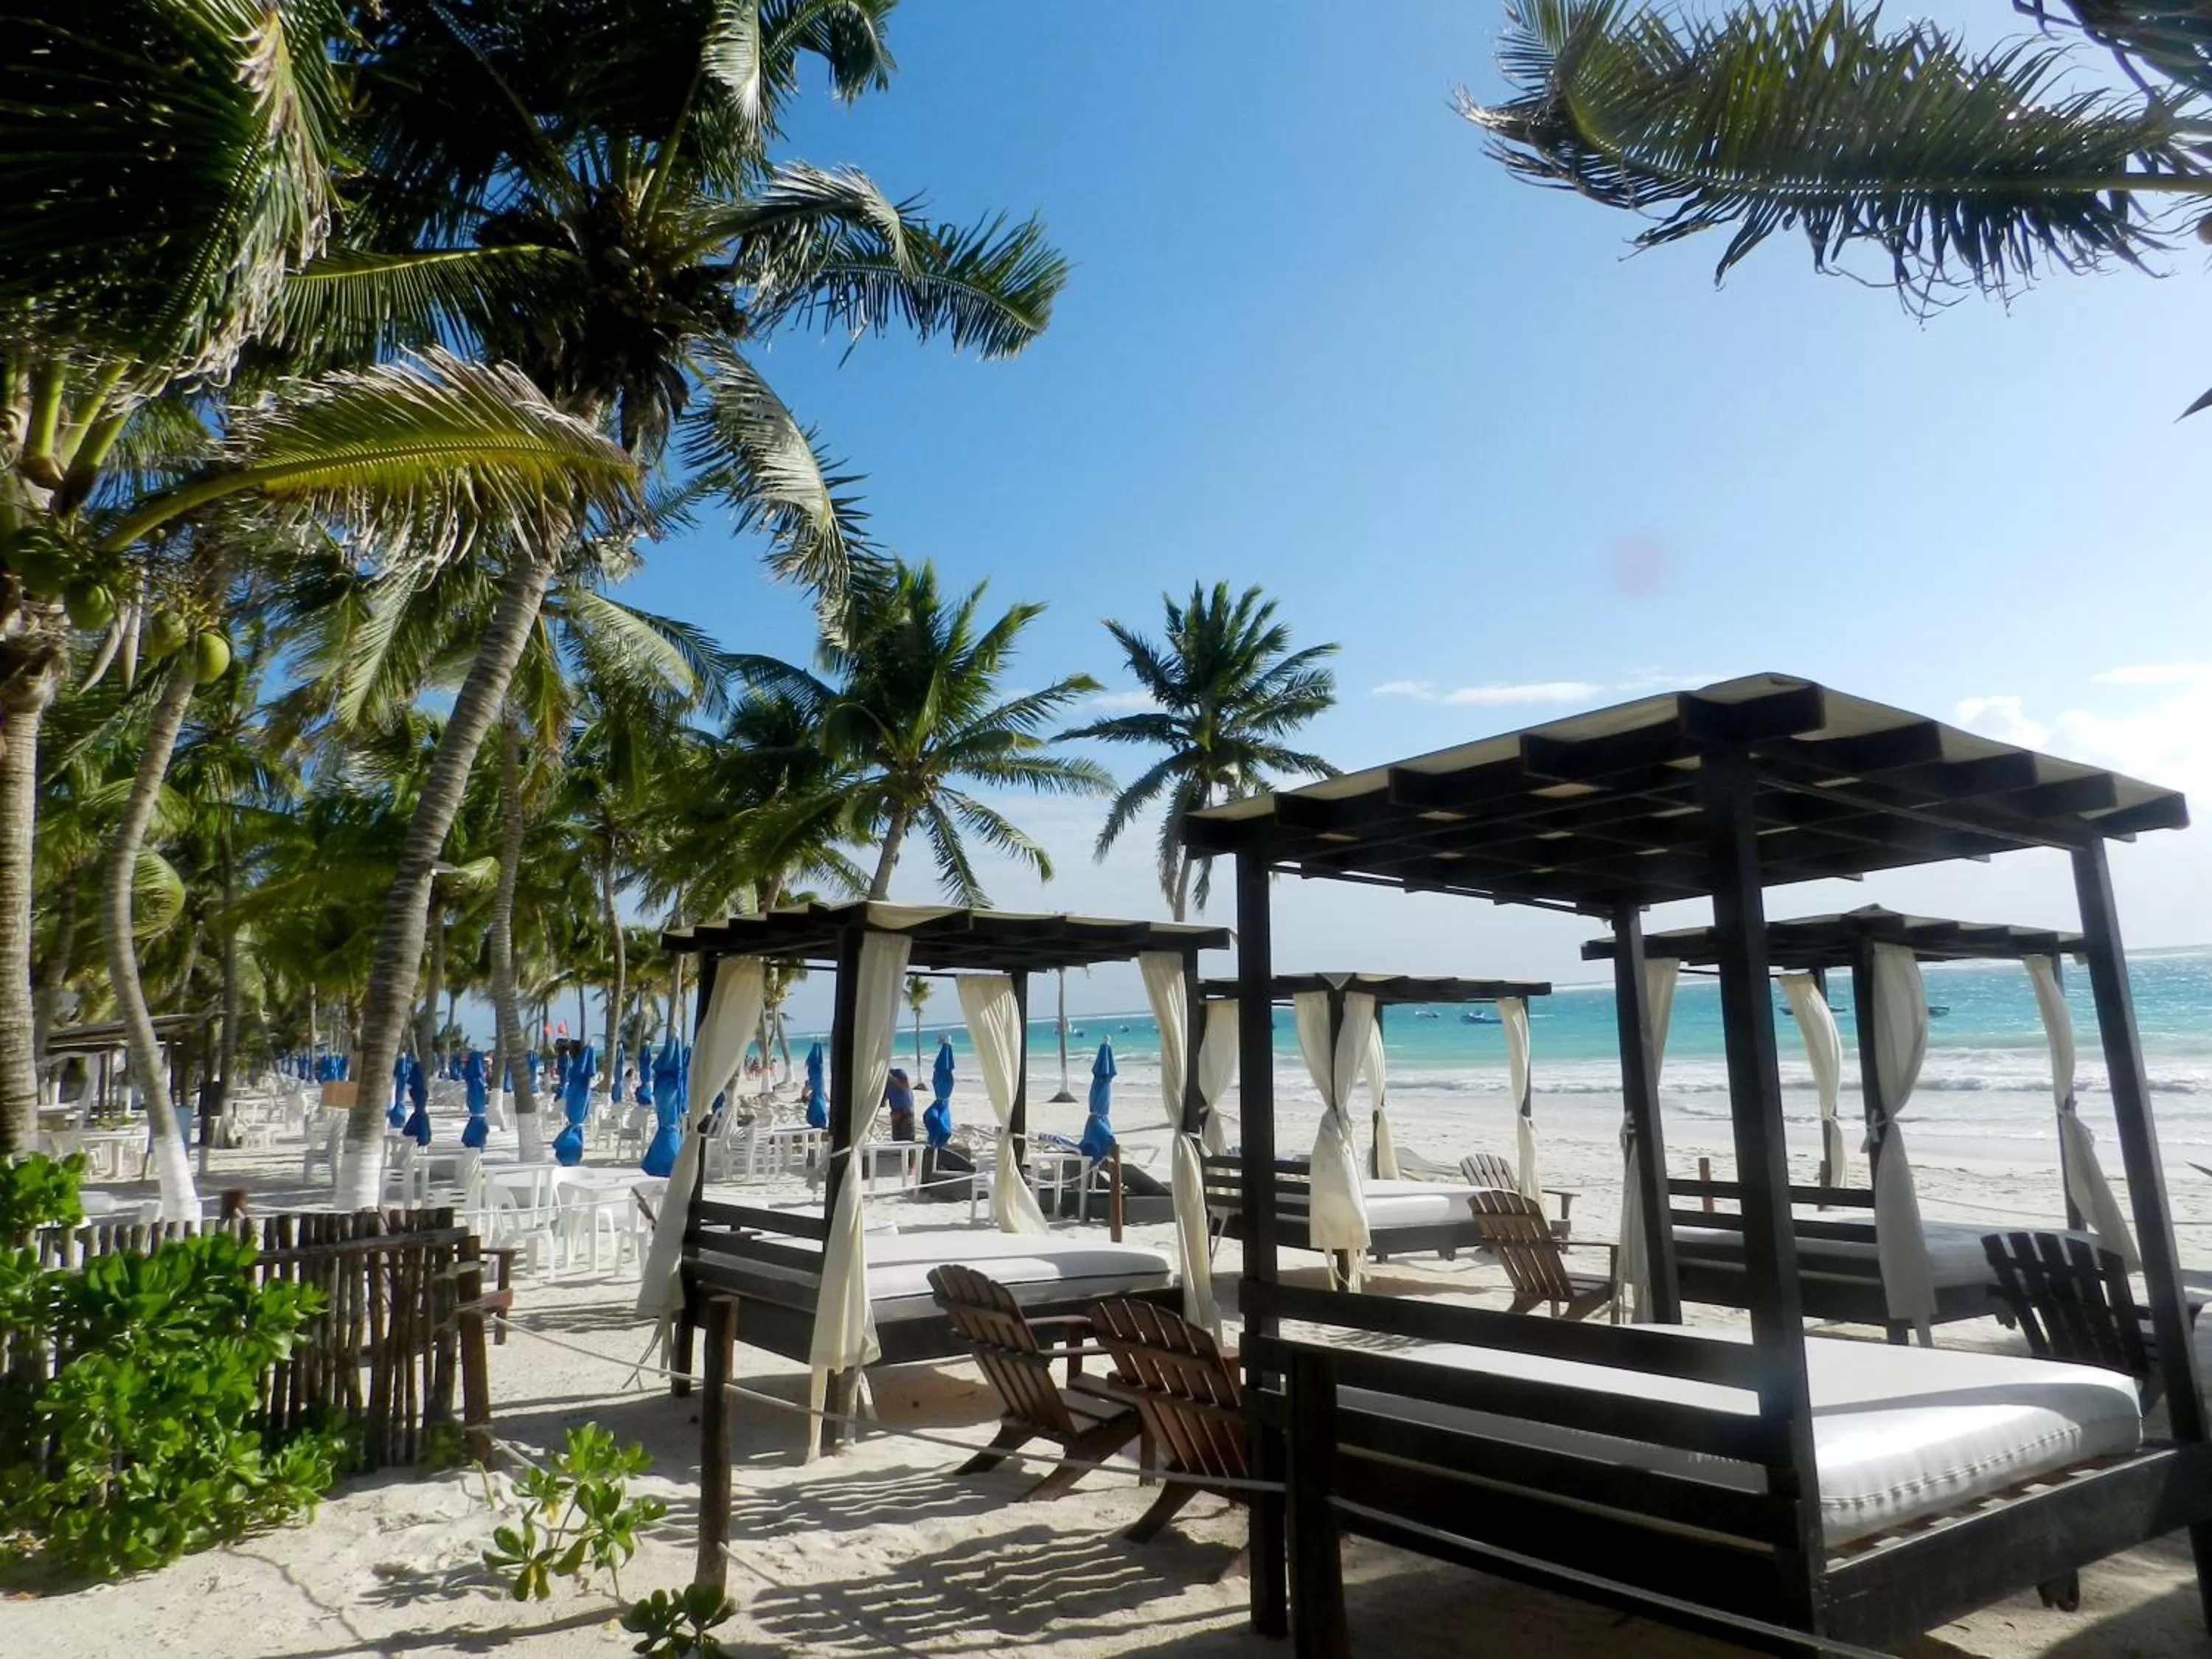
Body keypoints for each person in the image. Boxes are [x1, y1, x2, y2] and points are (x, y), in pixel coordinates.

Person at [884, 1068, 916, 1142]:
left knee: (908, 1141)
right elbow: (883, 1103)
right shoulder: (885, 1083)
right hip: (896, 1113)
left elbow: (906, 1087)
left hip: (906, 1111)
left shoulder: (898, 1073)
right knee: (897, 1142)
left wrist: (891, 1079)